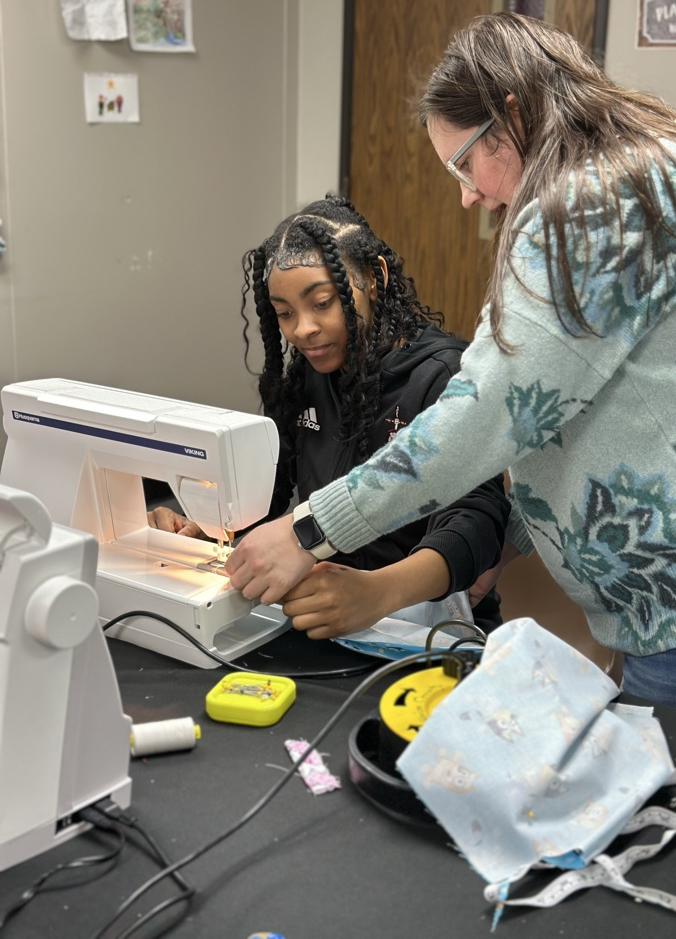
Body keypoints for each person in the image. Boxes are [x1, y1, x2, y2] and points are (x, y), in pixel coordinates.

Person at [225, 12, 676, 729]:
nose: (469, 194)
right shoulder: (671, 167)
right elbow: (618, 400)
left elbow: (494, 410)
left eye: (465, 164)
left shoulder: (585, 207)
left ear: (512, 115)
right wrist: (520, 533)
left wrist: (307, 531)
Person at [152, 194, 509, 638]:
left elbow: (477, 524)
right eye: (285, 314)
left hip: (420, 622)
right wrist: (208, 527)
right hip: (326, 614)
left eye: (321, 303)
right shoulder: (306, 376)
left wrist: (377, 593)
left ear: (375, 278)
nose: (302, 329)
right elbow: (271, 498)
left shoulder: (443, 375)